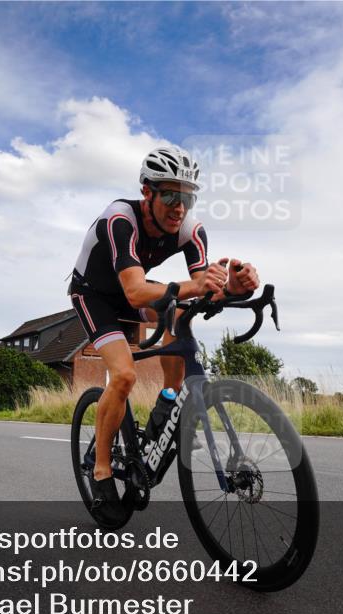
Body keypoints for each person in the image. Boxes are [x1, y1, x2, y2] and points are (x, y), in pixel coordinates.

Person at [69, 146, 260, 523]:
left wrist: (234, 288)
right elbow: (135, 292)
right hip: (95, 294)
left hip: (137, 289)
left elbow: (202, 289)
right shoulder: (119, 219)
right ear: (147, 192)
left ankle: (169, 399)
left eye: (187, 198)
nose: (179, 208)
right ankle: (102, 470)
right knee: (124, 375)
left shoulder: (192, 230)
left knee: (182, 314)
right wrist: (197, 287)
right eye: (171, 196)